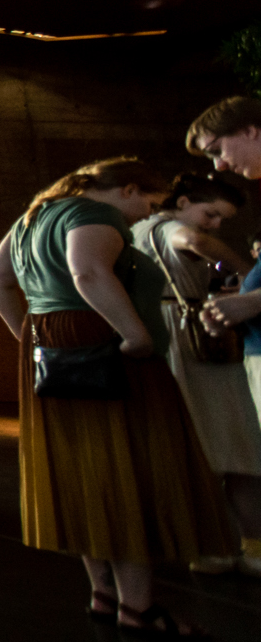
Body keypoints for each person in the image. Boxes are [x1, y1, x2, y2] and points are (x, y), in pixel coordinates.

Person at [0, 156, 230, 639]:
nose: (145, 216)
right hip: (103, 343)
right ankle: (138, 607)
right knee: (130, 468)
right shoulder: (95, 213)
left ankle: (104, 594)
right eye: (149, 204)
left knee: (83, 471)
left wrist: (27, 338)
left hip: (51, 346)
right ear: (129, 189)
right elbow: (89, 273)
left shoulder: (34, 216)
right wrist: (135, 335)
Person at [132, 171, 261, 574]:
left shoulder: (137, 230)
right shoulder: (168, 227)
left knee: (199, 449)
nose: (216, 225)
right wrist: (247, 272)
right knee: (234, 445)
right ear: (184, 203)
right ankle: (251, 547)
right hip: (192, 340)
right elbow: (196, 241)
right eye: (211, 214)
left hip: (162, 333)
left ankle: (209, 547)